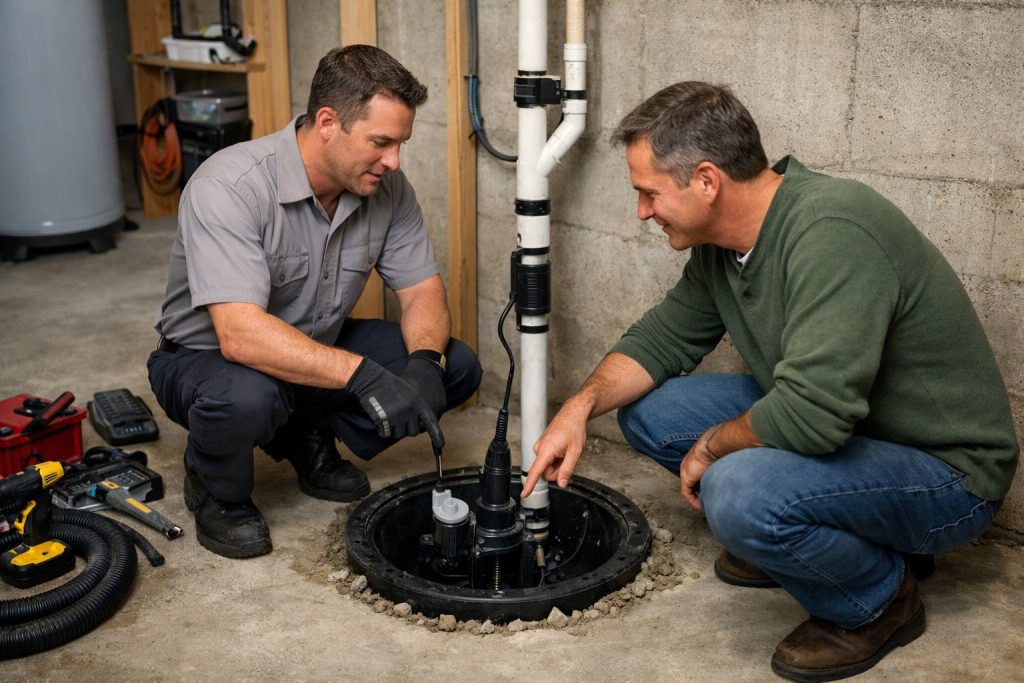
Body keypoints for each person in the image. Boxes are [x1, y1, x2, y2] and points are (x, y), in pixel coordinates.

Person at [522, 81, 1018, 681]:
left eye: (649, 194)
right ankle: (825, 543)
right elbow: (659, 341)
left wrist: (712, 446)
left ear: (707, 181)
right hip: (863, 433)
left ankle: (878, 601)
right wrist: (577, 408)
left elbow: (813, 416)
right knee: (650, 411)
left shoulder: (832, 230)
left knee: (739, 490)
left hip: (945, 473)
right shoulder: (722, 248)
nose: (642, 212)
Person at [148, 45, 482, 560]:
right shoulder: (231, 185)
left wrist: (422, 365)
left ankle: (304, 433)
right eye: (381, 142)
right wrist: (363, 376)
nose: (393, 161)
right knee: (247, 398)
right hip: (206, 360)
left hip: (313, 350)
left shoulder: (387, 188)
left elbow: (422, 292)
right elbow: (239, 334)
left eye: (401, 144)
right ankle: (216, 484)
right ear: (327, 122)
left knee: (455, 365)